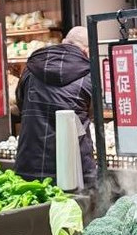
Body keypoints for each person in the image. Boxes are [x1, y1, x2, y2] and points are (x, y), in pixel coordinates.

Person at [15, 26, 96, 189]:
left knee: (34, 213)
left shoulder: (30, 70)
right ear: (87, 51)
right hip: (74, 169)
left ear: (64, 42)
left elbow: (20, 104)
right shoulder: (89, 76)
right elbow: (93, 114)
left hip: (30, 165)